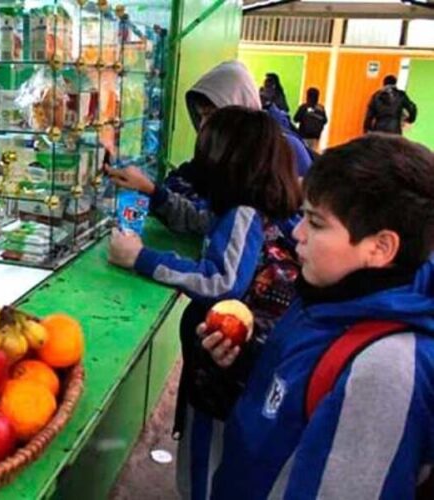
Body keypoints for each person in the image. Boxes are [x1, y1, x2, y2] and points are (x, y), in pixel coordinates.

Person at [203, 134, 434, 499]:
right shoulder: (327, 297)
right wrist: (245, 366)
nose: (297, 233)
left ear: (380, 247)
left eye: (316, 223)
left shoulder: (385, 370)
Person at [106, 106, 303, 500]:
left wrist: (141, 258)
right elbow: (202, 222)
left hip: (224, 378)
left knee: (207, 469)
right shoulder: (255, 209)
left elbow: (222, 281)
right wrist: (154, 193)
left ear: (228, 162)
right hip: (237, 373)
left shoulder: (244, 214)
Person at [167, 61, 311, 194]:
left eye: (210, 115)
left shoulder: (284, 149)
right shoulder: (219, 150)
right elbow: (180, 181)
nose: (203, 124)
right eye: (202, 116)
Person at [293, 87, 327, 152]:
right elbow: (325, 121)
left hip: (303, 136)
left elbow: (296, 119)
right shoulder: (321, 108)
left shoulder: (304, 107)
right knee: (312, 155)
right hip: (315, 138)